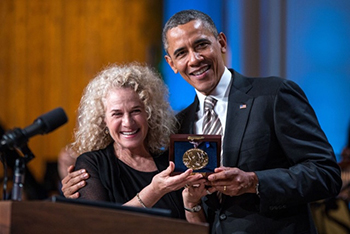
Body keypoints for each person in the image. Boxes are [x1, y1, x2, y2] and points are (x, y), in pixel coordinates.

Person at [62, 10, 342, 233]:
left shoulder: (273, 95)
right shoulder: (178, 124)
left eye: (201, 45)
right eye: (181, 53)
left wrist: (254, 181)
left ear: (221, 43)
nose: (194, 59)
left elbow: (326, 174)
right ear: (171, 63)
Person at [61, 63, 203, 219]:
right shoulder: (92, 164)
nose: (128, 122)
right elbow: (99, 224)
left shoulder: (170, 163)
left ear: (149, 113)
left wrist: (191, 203)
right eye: (117, 114)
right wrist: (154, 191)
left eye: (136, 111)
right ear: (103, 121)